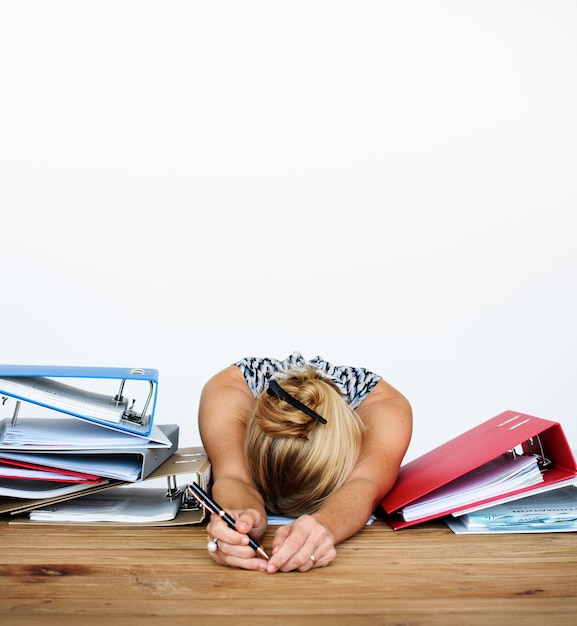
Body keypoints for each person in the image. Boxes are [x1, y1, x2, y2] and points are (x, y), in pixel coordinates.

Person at [197, 351, 412, 574]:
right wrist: (241, 516)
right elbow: (234, 476)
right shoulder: (225, 391)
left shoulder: (388, 409)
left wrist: (326, 524)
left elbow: (364, 484)